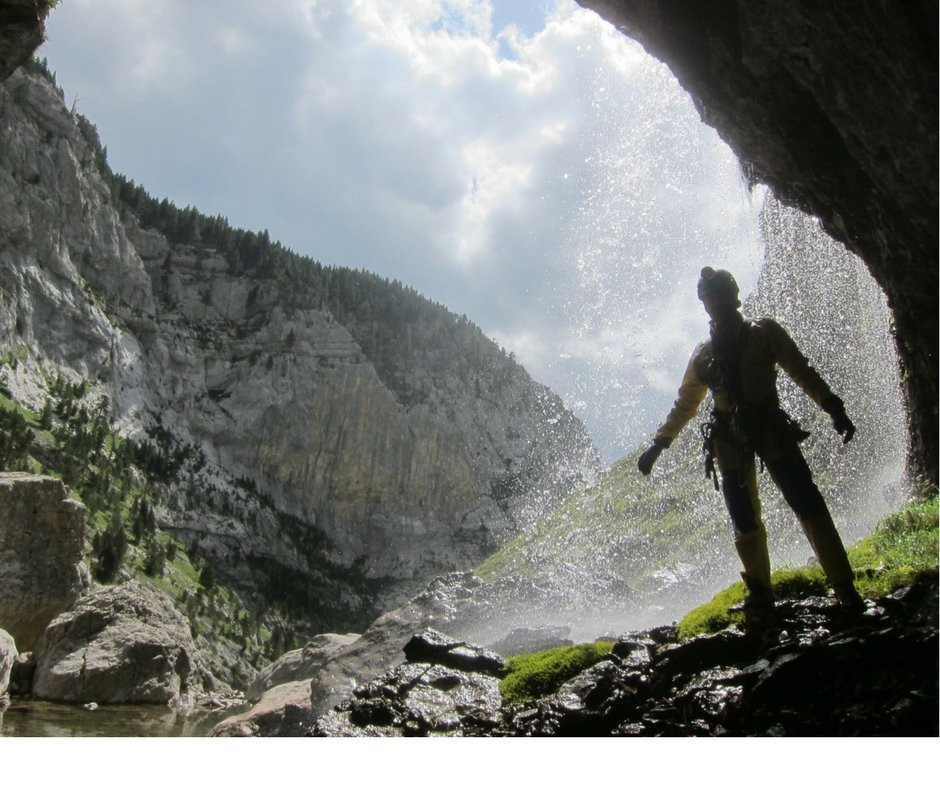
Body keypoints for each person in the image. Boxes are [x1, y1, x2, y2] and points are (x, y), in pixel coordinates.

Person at [637, 266, 866, 623]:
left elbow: (800, 370)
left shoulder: (763, 332)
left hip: (771, 428)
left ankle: (843, 584)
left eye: (720, 294)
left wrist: (832, 406)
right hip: (729, 441)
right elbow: (686, 403)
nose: (715, 302)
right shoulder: (704, 354)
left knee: (805, 500)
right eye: (708, 297)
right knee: (742, 517)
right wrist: (659, 443)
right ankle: (761, 593)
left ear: (734, 295)